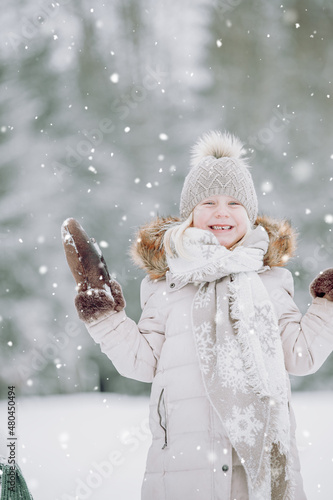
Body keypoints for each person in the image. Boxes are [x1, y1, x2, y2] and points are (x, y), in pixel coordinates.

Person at [62, 131, 333, 500]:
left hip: (260, 468)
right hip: (184, 466)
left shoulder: (271, 281)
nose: (222, 212)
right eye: (208, 201)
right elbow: (143, 363)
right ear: (189, 213)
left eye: (235, 202)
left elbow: (300, 357)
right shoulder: (166, 284)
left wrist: (328, 304)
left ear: (250, 214)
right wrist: (104, 314)